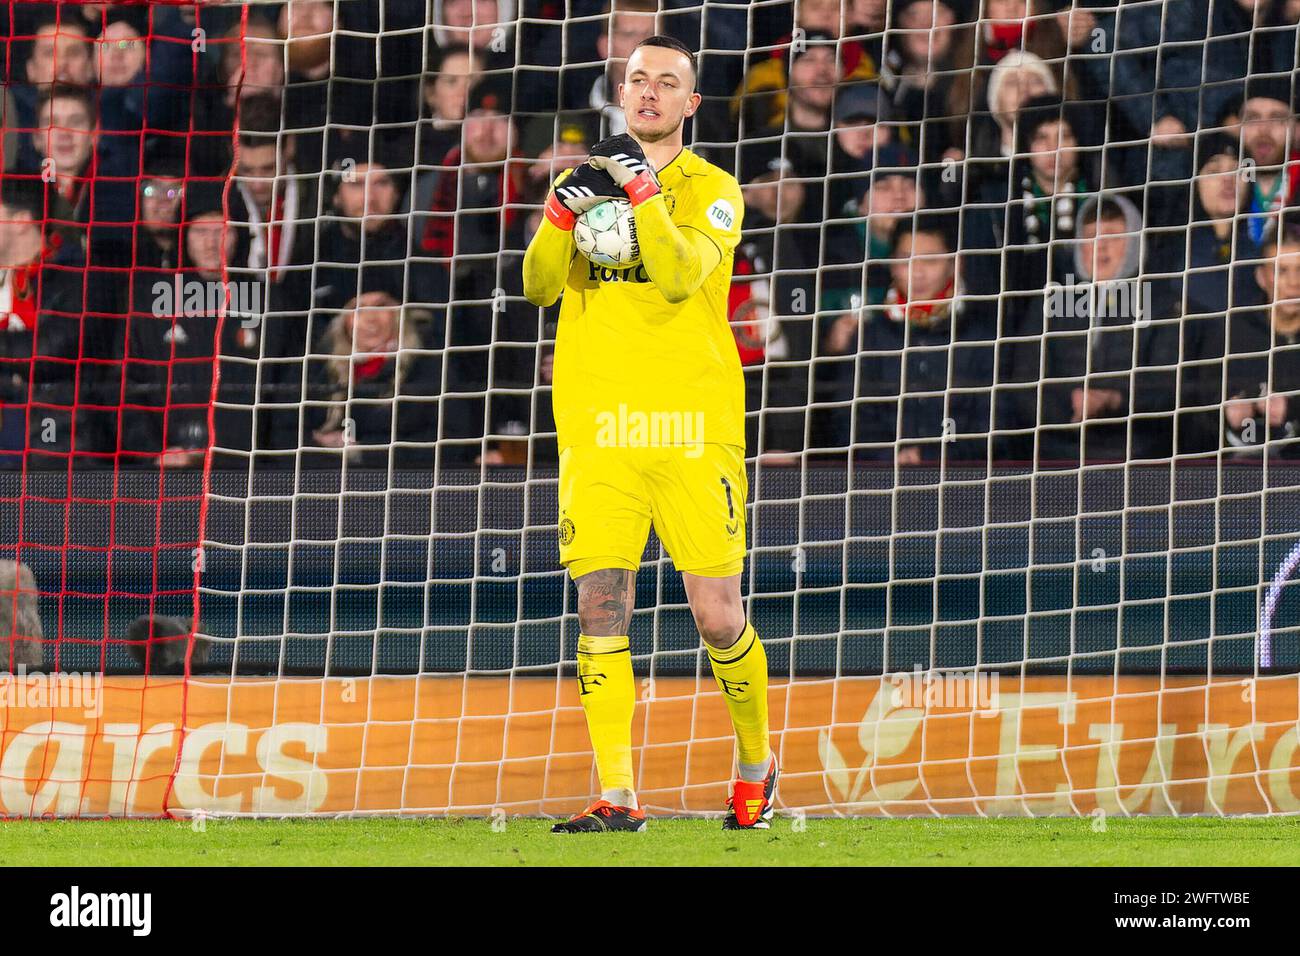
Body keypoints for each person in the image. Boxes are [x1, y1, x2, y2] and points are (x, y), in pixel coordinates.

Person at [523, 35, 776, 831]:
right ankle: (617, 793)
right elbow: (535, 288)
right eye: (638, 80)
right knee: (600, 606)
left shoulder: (715, 190)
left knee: (716, 616)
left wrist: (641, 193)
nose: (650, 93)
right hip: (599, 427)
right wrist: (564, 211)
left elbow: (673, 279)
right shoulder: (578, 182)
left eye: (668, 84)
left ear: (691, 104)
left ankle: (755, 766)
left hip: (693, 427)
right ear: (621, 91)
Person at [820, 220, 998, 465]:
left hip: (964, 480)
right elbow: (847, 419)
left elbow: (997, 424)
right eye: (906, 260)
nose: (917, 272)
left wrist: (931, 457)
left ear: (955, 264)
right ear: (892, 264)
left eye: (931, 260)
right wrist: (890, 456)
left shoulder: (982, 336)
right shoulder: (869, 336)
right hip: (877, 478)